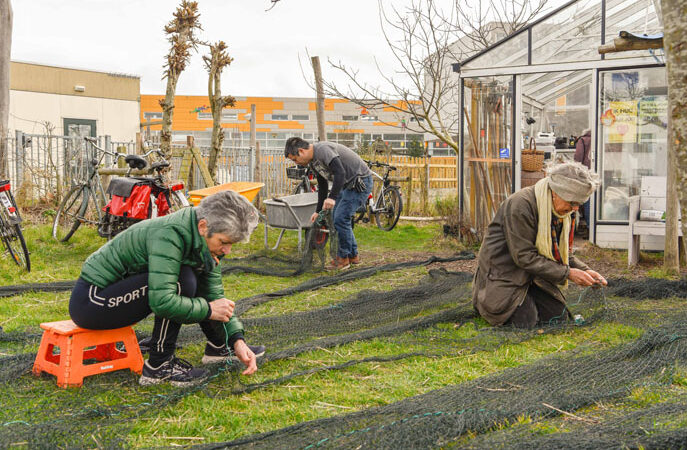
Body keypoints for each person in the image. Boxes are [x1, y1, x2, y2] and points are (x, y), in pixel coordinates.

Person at [69, 190, 264, 386]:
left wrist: (236, 340)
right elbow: (162, 302)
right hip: (92, 302)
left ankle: (218, 347)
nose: (227, 250)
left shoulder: (205, 241)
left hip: (117, 295)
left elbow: (214, 294)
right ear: (203, 226)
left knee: (190, 277)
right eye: (224, 242)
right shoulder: (170, 234)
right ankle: (159, 366)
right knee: (183, 281)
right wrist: (210, 310)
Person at [472, 161, 607, 329]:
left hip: (532, 276)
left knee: (558, 318)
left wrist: (585, 270)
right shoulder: (521, 205)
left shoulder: (561, 211)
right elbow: (524, 257)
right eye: (572, 202)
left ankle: (528, 298)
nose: (575, 208)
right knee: (526, 321)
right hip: (504, 274)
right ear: (556, 192)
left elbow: (561, 253)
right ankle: (484, 301)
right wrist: (568, 273)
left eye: (578, 204)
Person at [284, 137, 373, 270]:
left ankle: (343, 259)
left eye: (294, 159)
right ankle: (353, 256)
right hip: (347, 185)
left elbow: (340, 172)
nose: (296, 163)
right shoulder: (313, 162)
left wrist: (332, 198)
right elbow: (322, 184)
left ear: (301, 151)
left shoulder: (323, 150)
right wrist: (318, 211)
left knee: (341, 219)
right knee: (337, 218)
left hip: (359, 182)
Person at [574, 128, 592, 230]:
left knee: (588, 199)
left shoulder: (583, 140)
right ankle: (591, 226)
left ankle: (590, 226)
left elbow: (578, 157)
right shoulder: (599, 137)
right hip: (601, 174)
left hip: (586, 174)